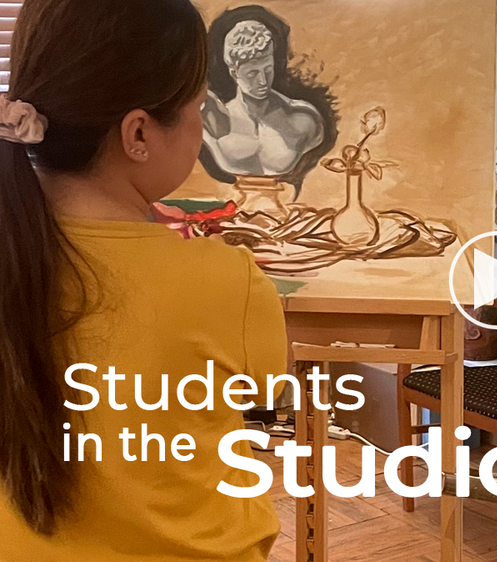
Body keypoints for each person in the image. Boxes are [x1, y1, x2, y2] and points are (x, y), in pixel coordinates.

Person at [0, 1, 287, 561]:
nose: (202, 125)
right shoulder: (228, 282)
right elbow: (265, 391)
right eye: (198, 107)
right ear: (137, 133)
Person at [202, 19, 325, 177]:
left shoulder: (303, 118)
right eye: (252, 73)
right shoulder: (215, 121)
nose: (262, 81)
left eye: (267, 70)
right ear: (234, 73)